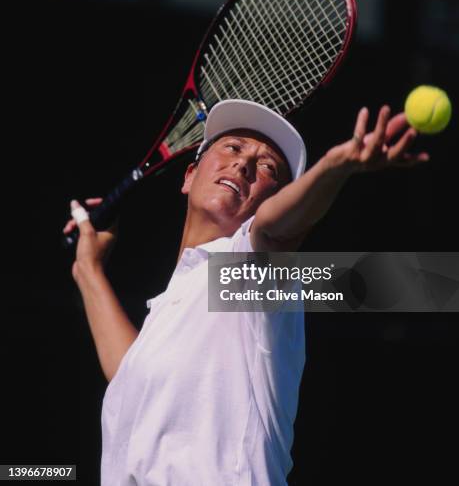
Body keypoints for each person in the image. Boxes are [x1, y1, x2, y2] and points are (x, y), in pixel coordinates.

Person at [63, 99, 429, 485]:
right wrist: (88, 269)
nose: (244, 164)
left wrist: (337, 166)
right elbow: (129, 373)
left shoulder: (246, 273)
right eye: (232, 148)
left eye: (268, 167)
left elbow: (274, 230)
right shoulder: (180, 296)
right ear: (188, 175)